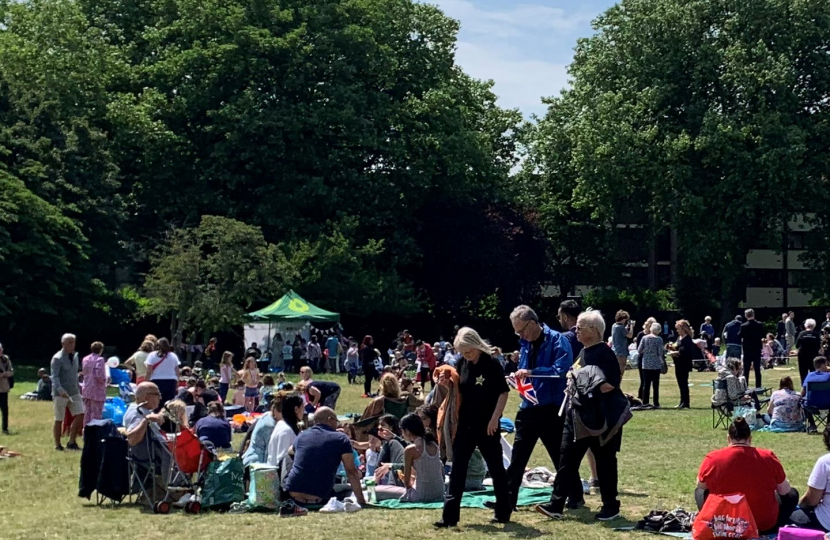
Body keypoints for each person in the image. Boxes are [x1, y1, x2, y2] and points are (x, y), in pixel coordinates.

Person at [538, 310, 626, 521]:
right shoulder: (584, 351)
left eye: (580, 327)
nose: (575, 330)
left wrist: (584, 382)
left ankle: (610, 506)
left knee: (605, 462)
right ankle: (556, 504)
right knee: (566, 459)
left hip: (600, 418)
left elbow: (610, 385)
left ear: (594, 331)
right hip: (578, 415)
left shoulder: (604, 353)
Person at [435, 327, 511, 527]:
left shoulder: (492, 365)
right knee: (458, 469)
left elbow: (503, 393)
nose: (466, 355)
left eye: (469, 351)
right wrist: (445, 384)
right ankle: (449, 517)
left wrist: (495, 418)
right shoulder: (462, 364)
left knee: (496, 469)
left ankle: (503, 511)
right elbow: (458, 391)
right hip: (465, 426)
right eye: (462, 352)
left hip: (488, 425)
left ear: (476, 344)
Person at [506, 305, 574, 511]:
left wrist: (531, 372)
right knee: (518, 455)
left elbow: (560, 370)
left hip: (552, 407)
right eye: (517, 332)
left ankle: (576, 494)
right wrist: (517, 376)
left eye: (522, 330)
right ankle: (508, 501)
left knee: (559, 455)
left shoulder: (558, 340)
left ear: (533, 323)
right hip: (529, 406)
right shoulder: (525, 343)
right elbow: (524, 371)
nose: (520, 335)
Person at [696, 417, 797, 533]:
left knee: (699, 491)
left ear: (729, 438)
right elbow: (784, 490)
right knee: (792, 494)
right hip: (763, 524)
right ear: (750, 439)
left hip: (724, 522)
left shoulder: (713, 458)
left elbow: (701, 485)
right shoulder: (768, 457)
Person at [283, 407, 366, 516]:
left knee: (287, 458)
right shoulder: (341, 439)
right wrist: (361, 501)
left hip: (293, 494)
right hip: (319, 497)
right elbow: (351, 471)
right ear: (330, 419)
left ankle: (282, 489)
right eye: (336, 421)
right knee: (346, 489)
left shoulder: (302, 435)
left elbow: (290, 451)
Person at [375, 413, 445, 502]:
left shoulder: (410, 449)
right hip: (440, 492)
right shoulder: (433, 445)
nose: (402, 434)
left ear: (407, 431)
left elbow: (407, 484)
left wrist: (408, 482)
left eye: (402, 431)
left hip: (421, 495)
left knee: (377, 490)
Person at [123, 382, 172, 497]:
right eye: (157, 394)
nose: (160, 397)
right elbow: (132, 439)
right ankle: (183, 489)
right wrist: (146, 420)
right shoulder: (137, 412)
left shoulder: (144, 410)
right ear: (146, 397)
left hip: (160, 450)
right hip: (153, 456)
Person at [51, 333, 84, 451]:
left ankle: (72, 441)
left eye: (73, 342)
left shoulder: (75, 356)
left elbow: (74, 373)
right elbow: (54, 377)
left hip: (74, 391)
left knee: (80, 414)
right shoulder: (57, 358)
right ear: (63, 343)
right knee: (59, 418)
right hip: (61, 393)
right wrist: (60, 390)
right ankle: (58, 444)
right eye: (69, 342)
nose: (72, 344)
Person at [794, 425, 830, 530]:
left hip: (826, 522)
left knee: (791, 517)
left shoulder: (825, 462)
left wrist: (799, 506)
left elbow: (811, 500)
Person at [266, 392, 304, 467]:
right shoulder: (285, 431)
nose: (304, 410)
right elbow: (282, 460)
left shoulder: (281, 425)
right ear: (296, 409)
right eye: (303, 407)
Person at [668, 320, 697, 409]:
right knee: (680, 383)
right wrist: (670, 347)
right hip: (678, 363)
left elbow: (686, 351)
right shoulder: (679, 338)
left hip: (684, 363)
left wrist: (677, 352)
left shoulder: (687, 339)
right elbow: (676, 346)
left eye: (678, 329)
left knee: (684, 382)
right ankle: (681, 401)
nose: (677, 330)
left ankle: (686, 402)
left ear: (683, 329)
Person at [144, 337, 181, 405]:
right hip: (171, 382)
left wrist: (145, 382)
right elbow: (177, 372)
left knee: (157, 403)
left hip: (156, 381)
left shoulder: (152, 355)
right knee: (169, 404)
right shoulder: (173, 356)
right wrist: (177, 383)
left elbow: (149, 371)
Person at [241, 398, 278, 466]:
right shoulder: (270, 426)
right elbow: (269, 455)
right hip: (256, 465)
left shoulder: (267, 415)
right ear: (276, 411)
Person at [637, 322, 665, 408]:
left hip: (646, 363)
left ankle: (645, 402)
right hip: (656, 364)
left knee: (646, 384)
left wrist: (646, 352)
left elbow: (639, 350)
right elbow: (660, 352)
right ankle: (656, 403)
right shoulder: (659, 339)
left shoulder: (644, 338)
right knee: (655, 384)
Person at [81, 341, 109, 427]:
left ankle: (86, 430)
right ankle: (95, 431)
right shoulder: (100, 359)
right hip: (97, 389)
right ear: (101, 350)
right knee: (97, 413)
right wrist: (106, 380)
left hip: (86, 387)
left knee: (87, 411)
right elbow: (99, 375)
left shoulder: (85, 359)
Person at [802, 357, 830, 433]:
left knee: (802, 402)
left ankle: (812, 424)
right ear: (823, 365)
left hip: (811, 406)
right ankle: (828, 425)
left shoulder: (809, 376)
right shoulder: (828, 376)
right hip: (827, 405)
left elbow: (803, 392)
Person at [740, 309, 765, 389]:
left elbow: (740, 335)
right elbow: (763, 335)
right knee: (757, 369)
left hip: (747, 349)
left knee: (746, 369)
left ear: (746, 316)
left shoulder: (743, 326)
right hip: (757, 349)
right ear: (753, 314)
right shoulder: (759, 324)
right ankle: (758, 386)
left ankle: (745, 386)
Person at [634, 317, 658, 401]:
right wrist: (649, 350)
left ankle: (647, 398)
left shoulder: (656, 336)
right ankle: (641, 396)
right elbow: (638, 348)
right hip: (643, 359)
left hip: (652, 361)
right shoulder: (641, 334)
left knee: (651, 381)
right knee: (643, 380)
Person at [797, 319, 823, 385]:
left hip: (802, 356)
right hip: (813, 356)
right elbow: (819, 346)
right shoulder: (816, 334)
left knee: (803, 373)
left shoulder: (801, 333)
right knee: (813, 372)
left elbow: (797, 345)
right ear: (814, 326)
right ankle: (813, 386)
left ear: (805, 326)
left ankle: (804, 387)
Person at [0, 342, 13, 434]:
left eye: (0, 349)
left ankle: (5, 428)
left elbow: (11, 371)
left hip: (3, 388)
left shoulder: (5, 359)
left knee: (5, 409)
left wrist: (5, 374)